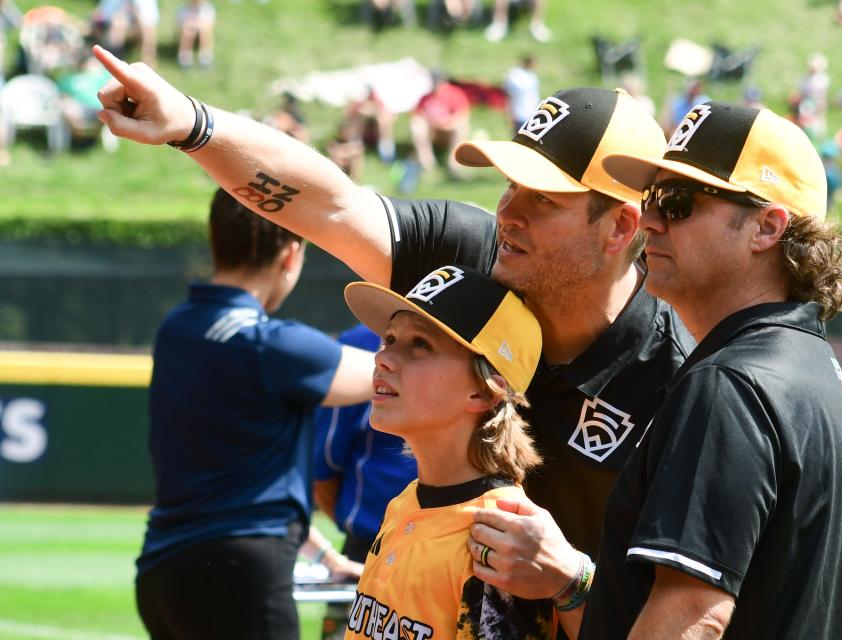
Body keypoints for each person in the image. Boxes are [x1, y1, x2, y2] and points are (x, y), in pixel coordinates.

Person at [93, 45, 693, 621]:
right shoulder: (474, 253)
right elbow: (331, 206)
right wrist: (193, 125)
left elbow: (691, 607)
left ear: (620, 227)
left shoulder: (679, 377)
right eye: (511, 184)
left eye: (542, 198)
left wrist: (572, 582)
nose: (509, 211)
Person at [578, 101, 842, 638]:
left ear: (766, 227)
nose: (649, 220)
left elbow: (692, 616)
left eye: (678, 202)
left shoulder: (731, 383)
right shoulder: (813, 371)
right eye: (651, 198)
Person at [135, 188, 376, 639]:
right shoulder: (274, 345)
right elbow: (389, 374)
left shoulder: (177, 329)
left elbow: (234, 482)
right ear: (290, 256)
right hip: (239, 575)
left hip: (161, 572)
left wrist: (325, 558)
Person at [341, 264, 563, 639]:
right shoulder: (405, 502)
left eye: (420, 345)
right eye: (390, 339)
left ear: (483, 391)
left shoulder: (499, 537)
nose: (383, 358)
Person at [312, 323, 418, 639]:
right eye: (387, 342)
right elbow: (323, 469)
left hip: (455, 549)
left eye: (421, 346)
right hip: (366, 548)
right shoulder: (356, 343)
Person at [503, 54, 540, 133]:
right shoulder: (515, 75)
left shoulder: (532, 76)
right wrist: (509, 114)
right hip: (519, 115)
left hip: (532, 115)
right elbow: (507, 95)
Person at [176, 0, 216, 68]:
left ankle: (205, 57)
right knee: (188, 31)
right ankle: (185, 56)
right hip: (189, 32)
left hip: (202, 32)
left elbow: (210, 25)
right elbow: (180, 26)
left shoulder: (207, 9)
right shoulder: (184, 9)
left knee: (204, 31)